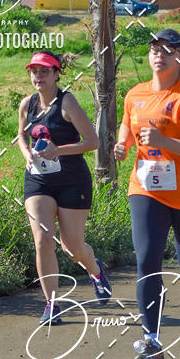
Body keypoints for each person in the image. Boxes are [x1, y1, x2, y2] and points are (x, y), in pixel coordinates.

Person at [114, 28, 180, 359]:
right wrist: (122, 145)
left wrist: (165, 141)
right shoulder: (135, 94)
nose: (159, 53)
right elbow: (129, 126)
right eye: (154, 48)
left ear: (179, 57)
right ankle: (153, 344)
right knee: (147, 262)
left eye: (167, 49)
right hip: (146, 189)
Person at [18, 50, 111, 324]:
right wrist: (26, 153)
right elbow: (22, 135)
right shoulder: (27, 104)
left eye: (45, 71)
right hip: (38, 181)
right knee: (43, 240)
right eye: (34, 71)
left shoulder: (66, 102)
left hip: (72, 180)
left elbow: (92, 142)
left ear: (57, 74)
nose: (38, 76)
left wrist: (58, 150)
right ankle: (52, 304)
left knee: (72, 247)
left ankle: (95, 270)